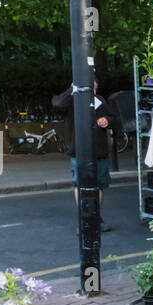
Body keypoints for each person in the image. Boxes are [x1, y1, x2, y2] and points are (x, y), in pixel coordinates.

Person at [52, 81, 123, 231]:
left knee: (99, 185)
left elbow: (115, 118)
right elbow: (57, 104)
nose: (93, 92)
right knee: (81, 184)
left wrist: (107, 120)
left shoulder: (100, 101)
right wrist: (71, 90)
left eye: (95, 88)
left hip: (100, 151)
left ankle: (96, 217)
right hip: (78, 150)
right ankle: (84, 218)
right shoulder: (72, 101)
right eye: (91, 88)